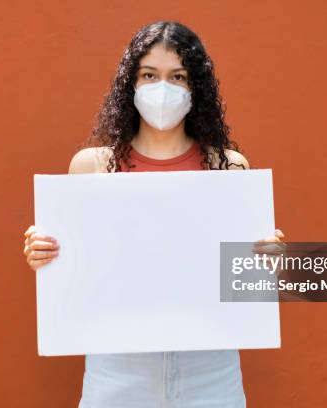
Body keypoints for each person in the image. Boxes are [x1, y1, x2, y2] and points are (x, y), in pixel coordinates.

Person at [23, 20, 285, 408]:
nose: (163, 88)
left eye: (178, 77)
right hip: (117, 366)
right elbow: (78, 270)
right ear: (130, 84)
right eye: (149, 75)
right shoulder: (92, 166)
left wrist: (266, 260)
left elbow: (240, 280)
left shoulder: (228, 167)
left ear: (197, 88)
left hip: (210, 366)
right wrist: (44, 253)